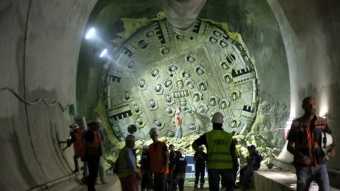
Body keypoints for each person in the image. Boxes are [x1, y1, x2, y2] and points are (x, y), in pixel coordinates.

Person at [287, 96, 336, 191]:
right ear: (303, 106)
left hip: (320, 164)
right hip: (303, 167)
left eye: (313, 104)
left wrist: (332, 149)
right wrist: (302, 157)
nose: (312, 106)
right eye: (309, 104)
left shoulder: (322, 122)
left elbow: (331, 140)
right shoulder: (296, 123)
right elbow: (289, 147)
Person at [192, 112, 237, 191]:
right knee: (229, 188)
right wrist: (235, 167)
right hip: (227, 167)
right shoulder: (229, 137)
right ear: (222, 123)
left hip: (213, 166)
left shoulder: (207, 136)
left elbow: (194, 144)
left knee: (214, 189)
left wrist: (203, 154)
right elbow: (233, 154)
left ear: (212, 123)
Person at [84, 121, 102, 191]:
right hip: (91, 156)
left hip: (96, 155)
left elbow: (98, 142)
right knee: (93, 172)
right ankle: (90, 187)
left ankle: (91, 186)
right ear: (92, 126)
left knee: (94, 173)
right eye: (96, 125)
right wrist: (95, 147)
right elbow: (87, 144)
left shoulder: (96, 133)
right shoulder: (89, 133)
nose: (98, 127)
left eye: (98, 125)